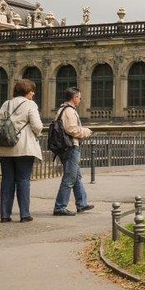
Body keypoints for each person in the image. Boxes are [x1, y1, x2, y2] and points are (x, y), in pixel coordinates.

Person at [0, 79, 43, 222]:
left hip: (4, 147)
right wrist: (36, 133)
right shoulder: (30, 104)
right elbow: (37, 126)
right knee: (23, 180)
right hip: (23, 147)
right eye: (32, 91)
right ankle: (24, 214)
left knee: (7, 180)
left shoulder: (6, 103)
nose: (33, 93)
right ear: (27, 92)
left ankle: (5, 215)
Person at [52, 87, 94, 216]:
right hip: (70, 147)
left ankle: (82, 203)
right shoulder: (69, 111)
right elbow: (71, 129)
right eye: (79, 98)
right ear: (74, 98)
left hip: (65, 147)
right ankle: (60, 207)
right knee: (70, 177)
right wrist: (86, 131)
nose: (80, 100)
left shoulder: (62, 110)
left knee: (76, 176)